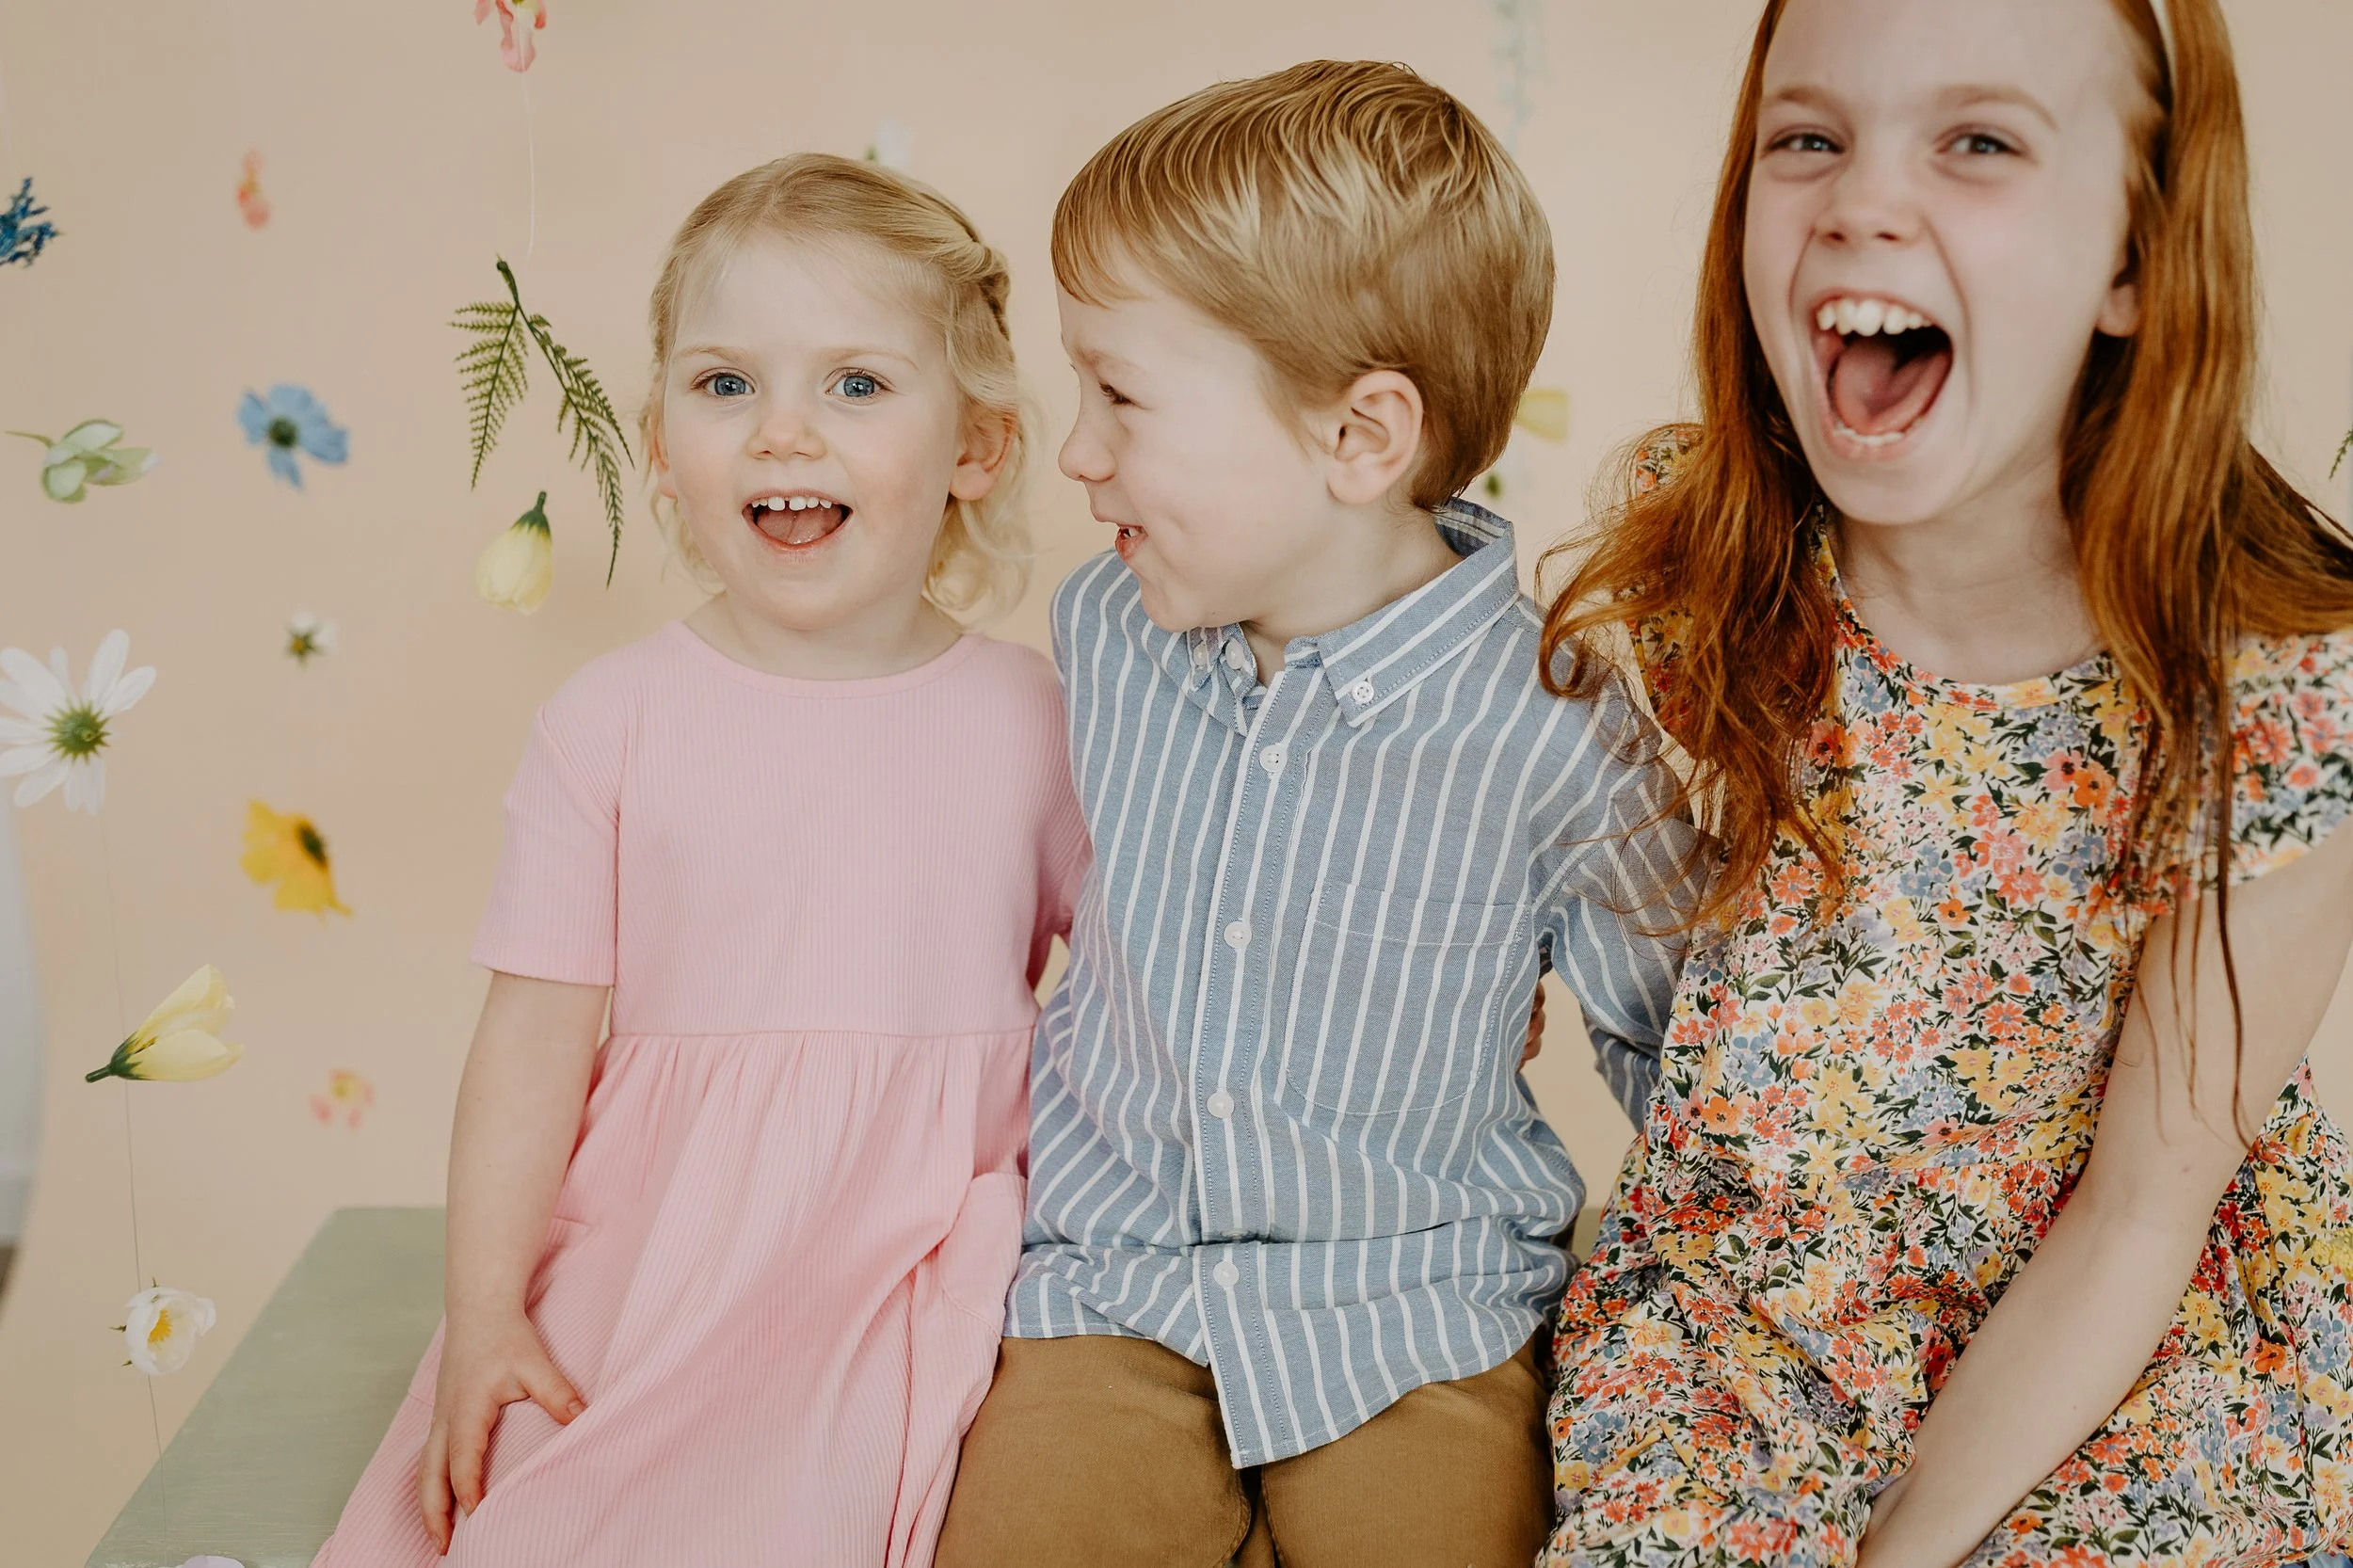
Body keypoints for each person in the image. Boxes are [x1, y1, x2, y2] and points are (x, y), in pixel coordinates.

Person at [1540, 2, 2353, 1563]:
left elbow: (2140, 1211)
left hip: (2133, 1344)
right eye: (1808, 138)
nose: (1860, 199)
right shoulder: (1705, 554)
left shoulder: (2280, 680)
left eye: (1977, 141)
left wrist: (1897, 1548)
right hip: (1744, 1333)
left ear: (2135, 258)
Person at [936, 60, 1701, 1568]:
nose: (1078, 448)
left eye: (1124, 396)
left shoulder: (1553, 728)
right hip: (1115, 1286)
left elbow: (1689, 1039)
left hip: (1415, 1315)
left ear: (1361, 438)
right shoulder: (1108, 630)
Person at [312, 153, 1086, 1567]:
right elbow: (532, 1046)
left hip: (922, 1241)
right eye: (726, 384)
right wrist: (486, 1312)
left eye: (856, 384)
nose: (784, 432)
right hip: (667, 1240)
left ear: (977, 444)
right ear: (661, 443)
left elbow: (1145, 974)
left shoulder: (1038, 717)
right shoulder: (611, 719)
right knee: (557, 1507)